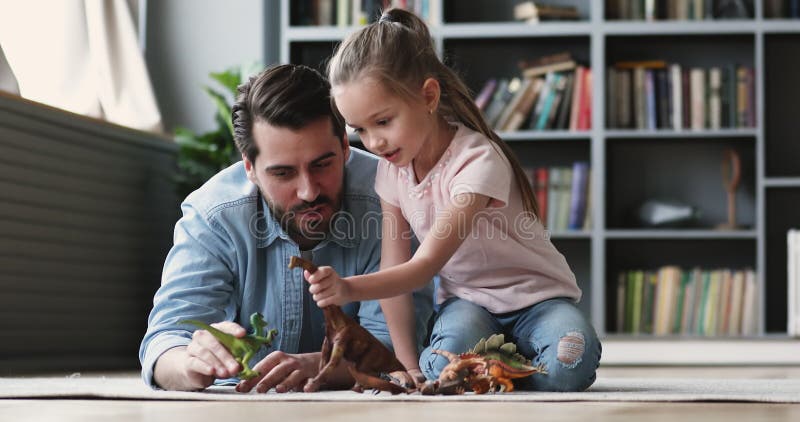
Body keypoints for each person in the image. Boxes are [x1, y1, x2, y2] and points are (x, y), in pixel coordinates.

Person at [305, 9, 601, 392]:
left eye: (383, 121)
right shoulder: (392, 171)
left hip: (538, 301)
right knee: (436, 367)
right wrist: (405, 364)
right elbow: (395, 268)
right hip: (468, 305)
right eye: (360, 129)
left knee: (570, 362)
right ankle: (501, 367)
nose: (374, 143)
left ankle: (503, 368)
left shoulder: (477, 161)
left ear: (428, 96)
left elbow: (425, 264)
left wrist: (349, 288)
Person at [138, 64, 433, 392]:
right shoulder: (213, 216)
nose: (309, 191)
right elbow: (164, 342)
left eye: (322, 164)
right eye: (283, 173)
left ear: (346, 149)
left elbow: (395, 350)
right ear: (250, 168)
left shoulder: (390, 200)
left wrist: (318, 367)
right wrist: (189, 364)